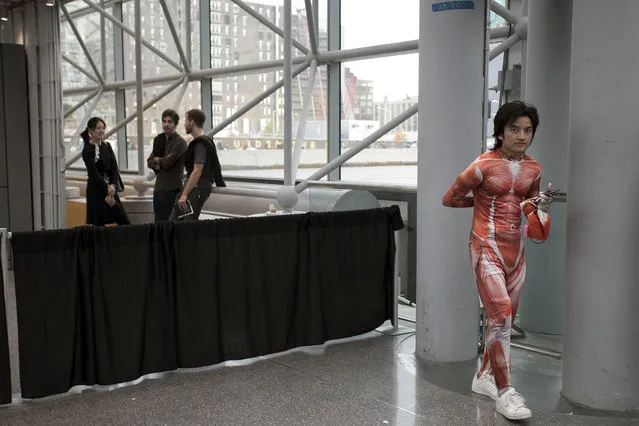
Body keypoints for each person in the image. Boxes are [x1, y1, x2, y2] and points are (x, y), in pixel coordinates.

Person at [442, 101, 553, 421]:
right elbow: (449, 199)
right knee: (502, 315)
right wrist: (481, 200)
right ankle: (506, 393)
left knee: (502, 321)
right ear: (500, 132)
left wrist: (537, 205)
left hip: (516, 251)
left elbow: (525, 203)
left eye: (527, 130)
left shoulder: (534, 168)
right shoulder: (482, 165)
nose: (521, 136)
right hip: (485, 245)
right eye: (514, 129)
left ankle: (483, 377)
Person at [170, 109, 226, 221]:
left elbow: (197, 171)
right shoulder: (204, 142)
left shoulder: (200, 144)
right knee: (178, 222)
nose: (184, 124)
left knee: (181, 224)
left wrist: (184, 195)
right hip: (194, 191)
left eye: (186, 121)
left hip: (195, 192)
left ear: (192, 122)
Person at [81, 117, 130, 226]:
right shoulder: (87, 149)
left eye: (103, 128)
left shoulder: (107, 146)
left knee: (122, 218)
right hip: (96, 190)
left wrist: (112, 184)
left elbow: (114, 167)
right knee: (98, 223)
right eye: (98, 128)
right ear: (90, 130)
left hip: (111, 190)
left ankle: (126, 242)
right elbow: (93, 173)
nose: (102, 130)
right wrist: (107, 187)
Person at [147, 109, 187, 222]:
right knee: (158, 222)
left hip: (172, 189)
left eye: (169, 122)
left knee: (169, 223)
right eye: (164, 121)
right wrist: (160, 163)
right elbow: (149, 161)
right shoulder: (159, 139)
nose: (166, 124)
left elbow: (169, 162)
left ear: (175, 124)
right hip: (159, 188)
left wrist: (158, 161)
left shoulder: (180, 142)